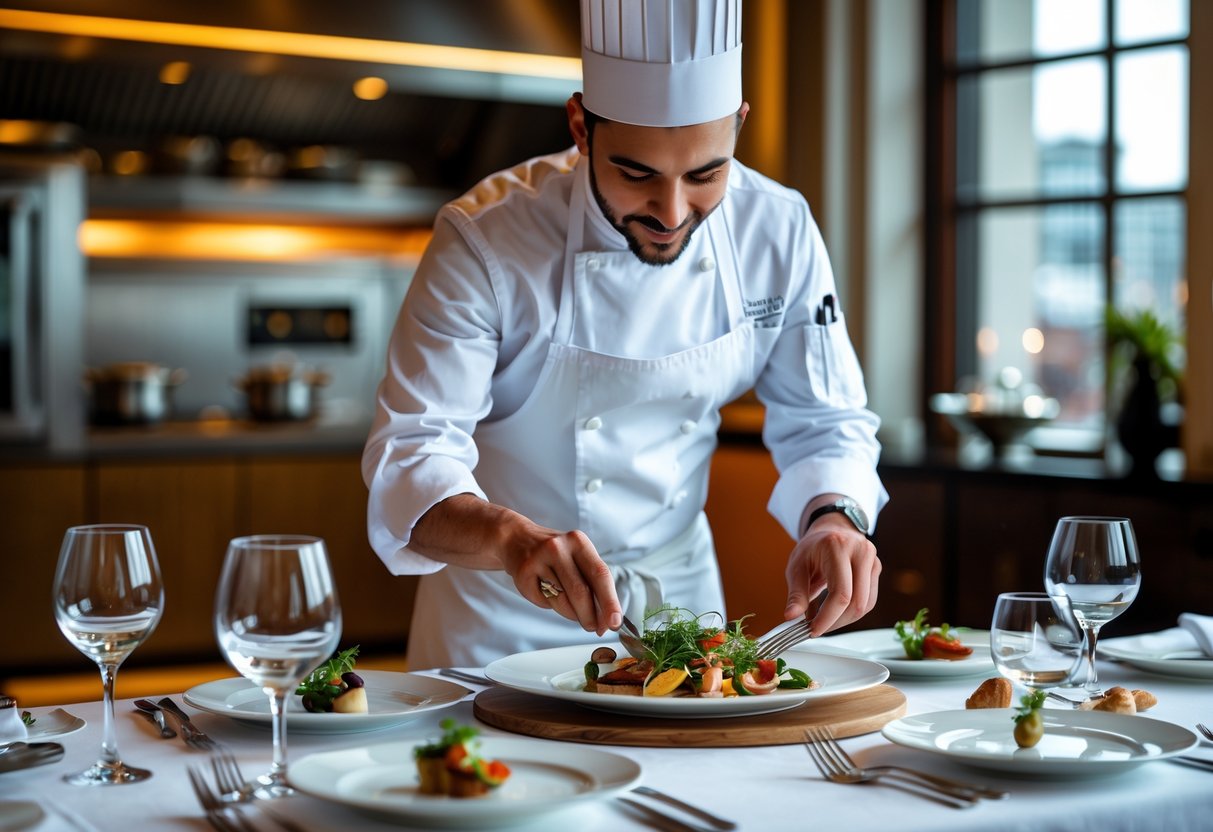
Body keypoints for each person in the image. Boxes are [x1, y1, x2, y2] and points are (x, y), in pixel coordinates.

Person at [362, 0, 888, 670]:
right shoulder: (485, 239)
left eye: (705, 174)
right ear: (581, 127)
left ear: (737, 124)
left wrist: (834, 518)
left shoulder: (776, 229)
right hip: (501, 617)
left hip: (681, 610)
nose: (671, 213)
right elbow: (411, 454)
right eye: (636, 173)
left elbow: (825, 418)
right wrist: (510, 538)